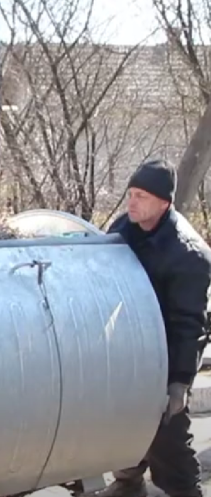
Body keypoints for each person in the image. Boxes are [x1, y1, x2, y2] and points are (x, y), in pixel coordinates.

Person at [97, 159, 211, 497]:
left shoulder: (188, 255)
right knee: (122, 425)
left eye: (142, 196)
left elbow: (189, 325)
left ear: (165, 202)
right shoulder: (124, 229)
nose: (131, 202)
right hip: (128, 343)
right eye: (130, 193)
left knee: (169, 439)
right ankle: (128, 483)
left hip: (164, 353)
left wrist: (180, 382)